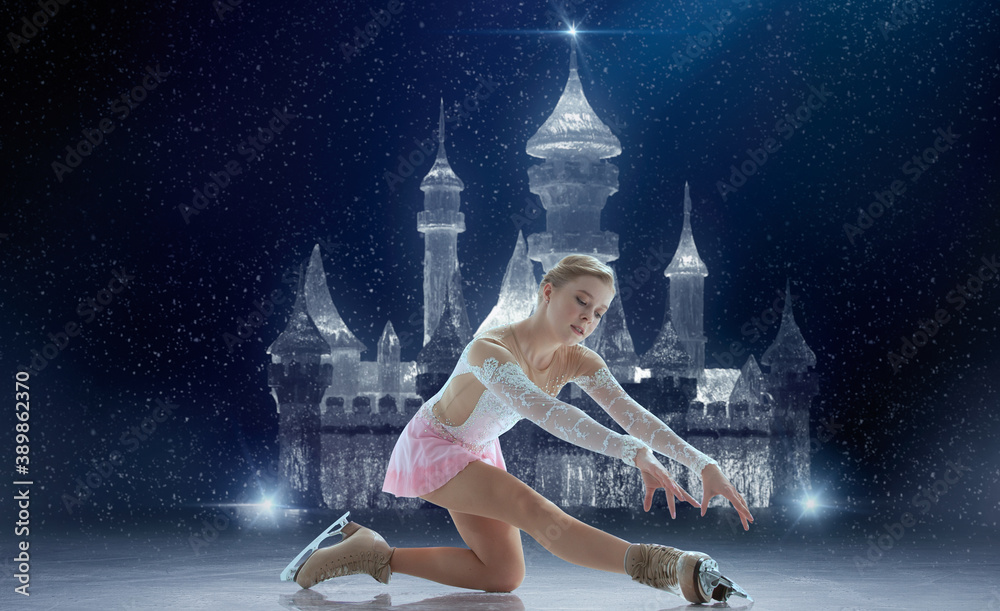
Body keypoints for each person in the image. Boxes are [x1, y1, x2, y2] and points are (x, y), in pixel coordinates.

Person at [281, 254, 754, 603]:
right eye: (581, 302)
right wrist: (632, 453)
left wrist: (703, 463)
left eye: (598, 313)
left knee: (503, 575)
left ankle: (373, 553)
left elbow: (632, 413)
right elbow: (547, 412)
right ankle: (666, 567)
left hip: (479, 448)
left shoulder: (578, 359)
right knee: (540, 514)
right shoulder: (489, 348)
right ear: (548, 291)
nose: (587, 319)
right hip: (435, 445)